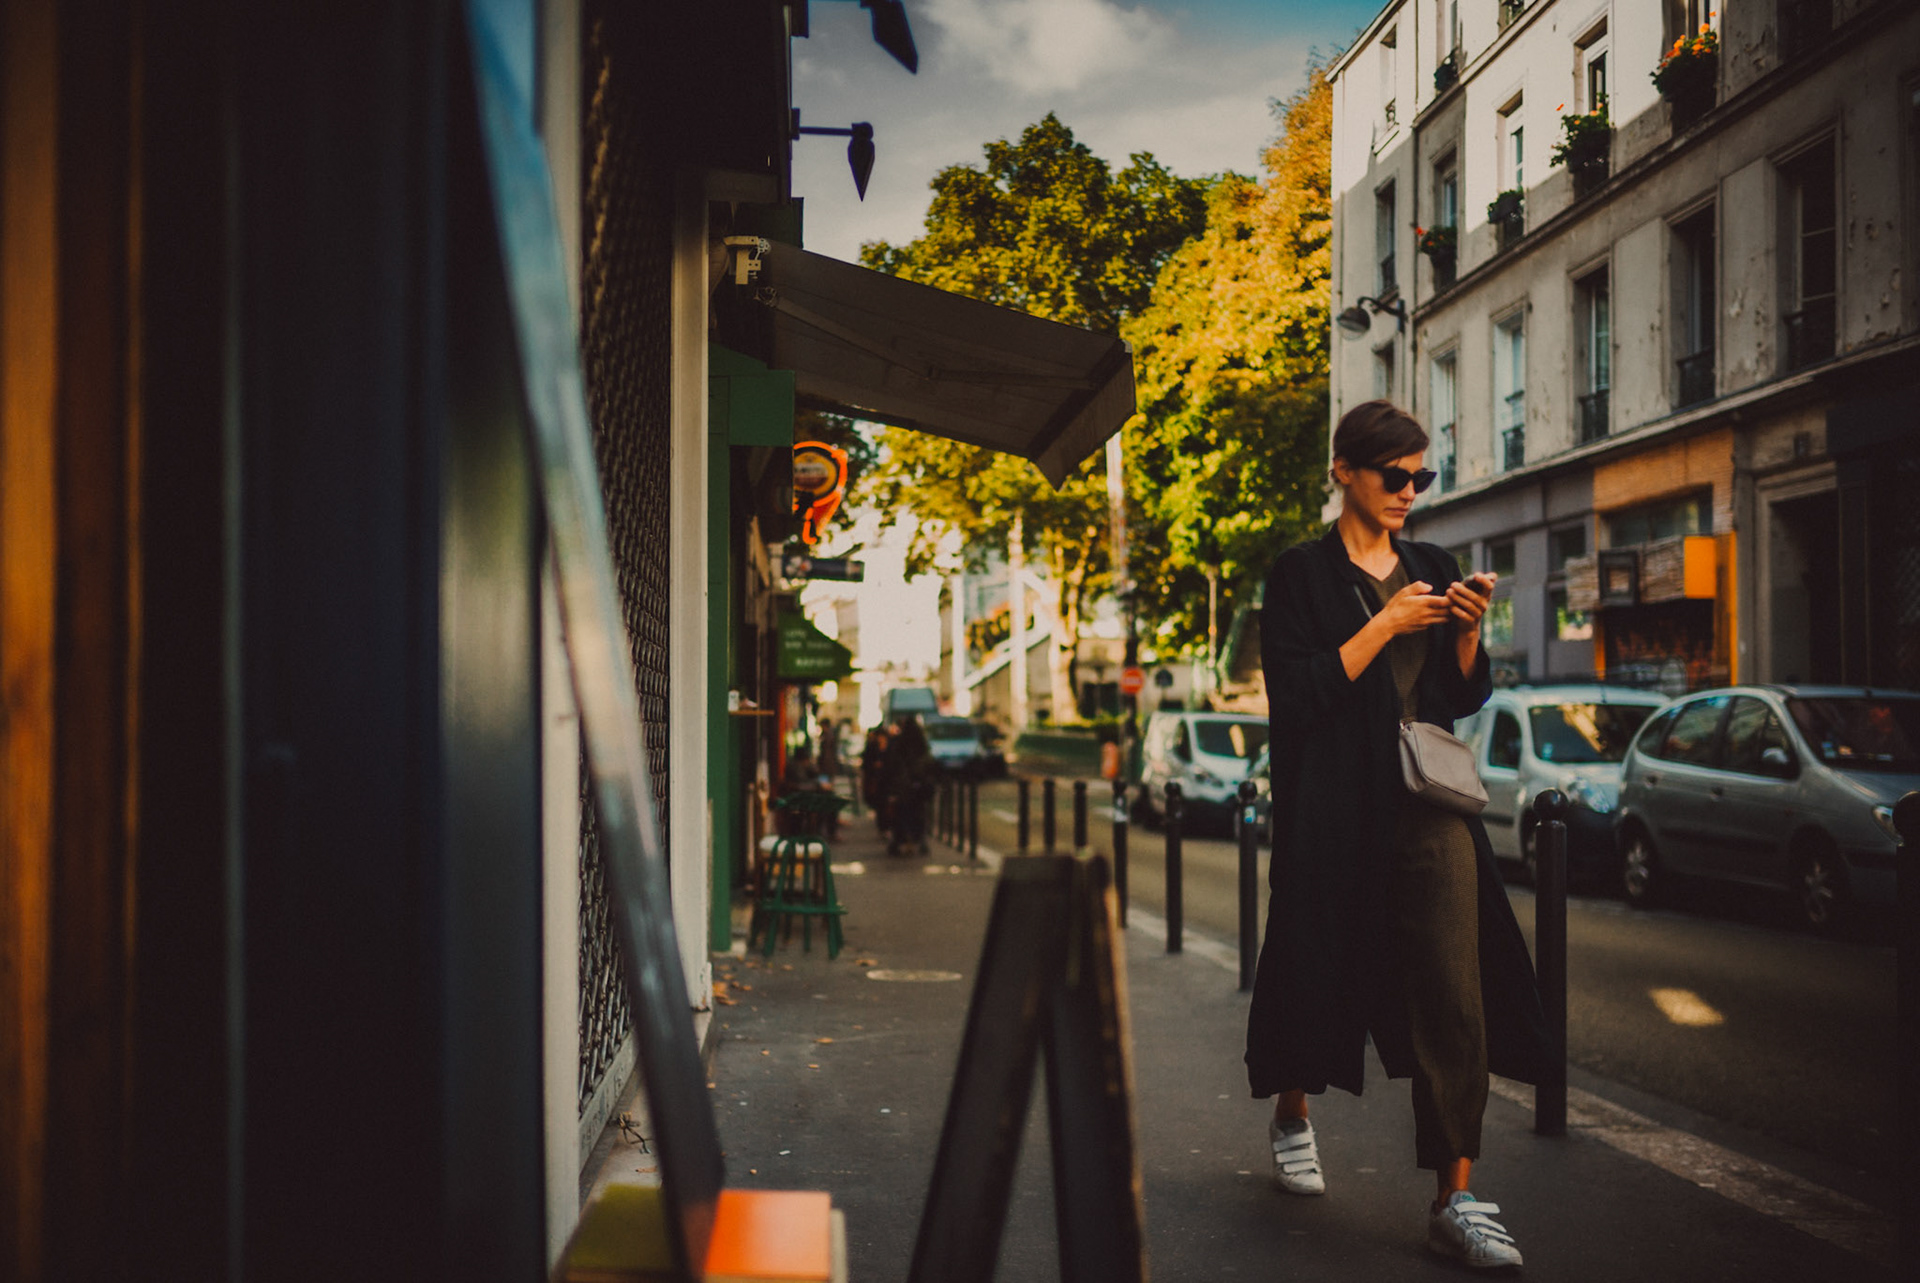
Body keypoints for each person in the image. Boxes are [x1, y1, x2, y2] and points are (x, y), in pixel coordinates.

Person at [1244, 400, 1551, 1269]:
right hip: (1332, 806)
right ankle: (1293, 1112)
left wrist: (1467, 629)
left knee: (1457, 992)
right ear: (1345, 470)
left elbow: (1457, 699)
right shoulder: (1300, 573)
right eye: (1395, 475)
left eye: (1424, 476)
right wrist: (1384, 623)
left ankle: (1455, 1195)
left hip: (1426, 801)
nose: (1410, 491)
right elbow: (1297, 695)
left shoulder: (1431, 562)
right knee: (1312, 964)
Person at [880, 716, 933, 857]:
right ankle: (918, 841)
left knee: (902, 815)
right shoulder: (921, 744)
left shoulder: (899, 743)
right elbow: (928, 764)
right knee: (917, 814)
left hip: (902, 788)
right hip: (917, 787)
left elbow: (891, 766)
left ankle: (901, 842)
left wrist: (892, 789)